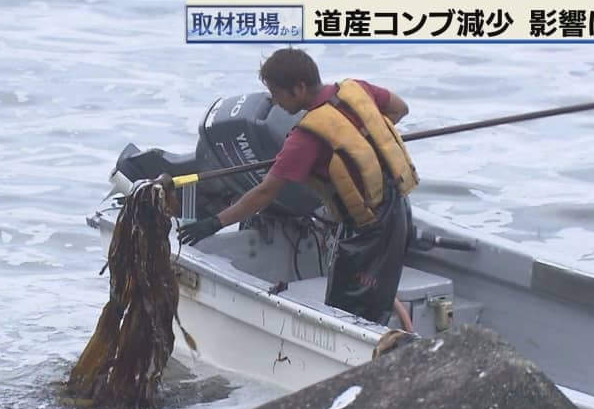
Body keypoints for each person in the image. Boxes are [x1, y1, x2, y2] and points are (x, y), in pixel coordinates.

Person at [178, 47, 417, 330]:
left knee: (350, 312)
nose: (275, 103)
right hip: (399, 209)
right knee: (373, 301)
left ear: (299, 88)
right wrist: (365, 145)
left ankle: (363, 364)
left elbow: (265, 193)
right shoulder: (358, 89)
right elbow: (400, 108)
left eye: (277, 93)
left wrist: (215, 222)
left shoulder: (306, 138)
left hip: (369, 232)